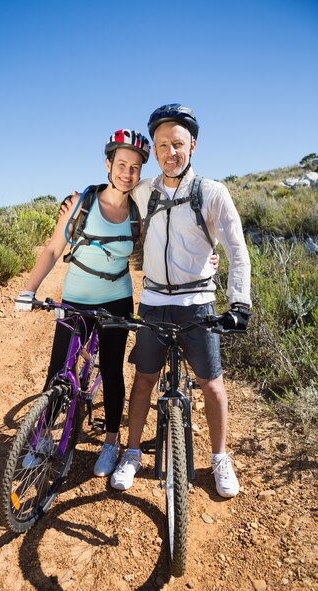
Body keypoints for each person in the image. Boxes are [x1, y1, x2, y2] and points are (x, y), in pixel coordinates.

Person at [108, 104, 252, 497]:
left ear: (193, 145)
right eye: (162, 145)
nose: (170, 152)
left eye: (178, 144)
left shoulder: (211, 193)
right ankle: (133, 453)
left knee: (212, 384)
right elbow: (111, 193)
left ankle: (221, 458)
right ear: (154, 150)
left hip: (198, 303)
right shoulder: (144, 191)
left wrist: (239, 303)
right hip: (154, 300)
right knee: (144, 381)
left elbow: (237, 250)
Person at [15, 129, 151, 477]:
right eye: (121, 164)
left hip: (116, 302)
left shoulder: (139, 211)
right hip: (76, 299)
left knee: (112, 371)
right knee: (58, 370)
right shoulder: (81, 203)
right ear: (108, 164)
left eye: (135, 167)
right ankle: (43, 436)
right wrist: (29, 289)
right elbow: (51, 249)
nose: (127, 173)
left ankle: (110, 443)